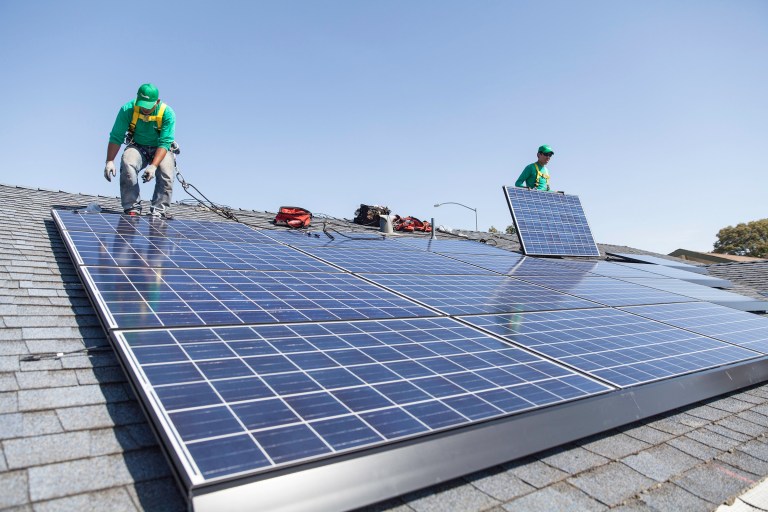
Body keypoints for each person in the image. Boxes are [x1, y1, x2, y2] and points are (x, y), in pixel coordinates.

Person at [103, 83, 177, 218]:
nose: (144, 109)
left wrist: (153, 166)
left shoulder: (167, 113)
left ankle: (158, 210)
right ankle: (132, 207)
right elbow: (116, 136)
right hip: (138, 146)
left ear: (157, 102)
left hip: (160, 148)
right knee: (128, 163)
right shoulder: (127, 110)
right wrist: (109, 161)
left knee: (166, 172)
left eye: (148, 106)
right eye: (141, 104)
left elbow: (165, 142)